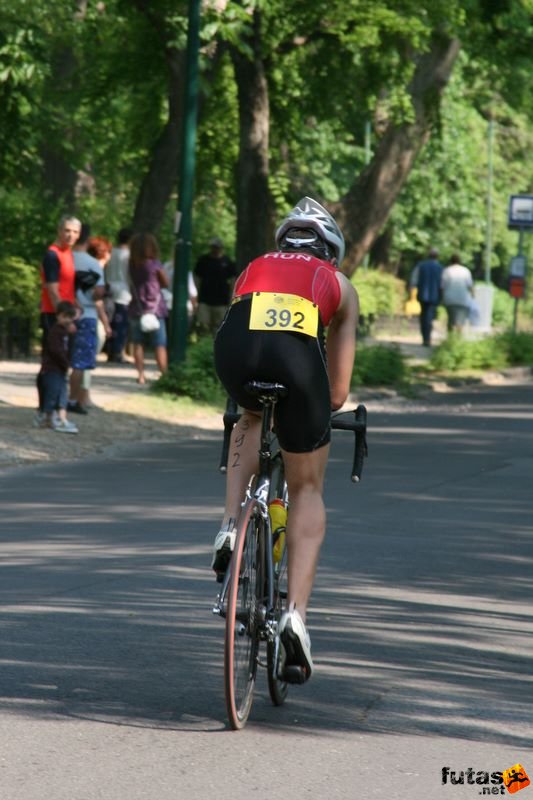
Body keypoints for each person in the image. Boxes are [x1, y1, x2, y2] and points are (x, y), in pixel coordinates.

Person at [213, 197, 359, 681]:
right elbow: (337, 392)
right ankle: (295, 614)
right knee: (306, 488)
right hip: (297, 365)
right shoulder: (338, 284)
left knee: (251, 413)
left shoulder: (253, 268)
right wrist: (314, 408)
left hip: (235, 353)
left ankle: (231, 525)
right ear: (330, 252)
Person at [35, 215, 82, 426]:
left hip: (64, 314)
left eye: (75, 232)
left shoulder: (68, 254)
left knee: (57, 363)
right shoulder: (53, 256)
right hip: (53, 315)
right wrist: (64, 320)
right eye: (67, 230)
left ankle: (49, 410)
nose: (71, 235)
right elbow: (53, 291)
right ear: (59, 231)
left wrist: (76, 305)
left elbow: (67, 288)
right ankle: (48, 410)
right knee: (53, 364)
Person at [68, 227, 111, 414]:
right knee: (80, 362)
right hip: (87, 315)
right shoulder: (93, 264)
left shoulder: (65, 259)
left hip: (64, 313)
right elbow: (98, 293)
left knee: (61, 359)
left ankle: (57, 398)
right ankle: (73, 400)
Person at [128, 232, 169, 385]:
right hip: (155, 309)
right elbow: (165, 283)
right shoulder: (155, 264)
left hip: (136, 308)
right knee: (160, 344)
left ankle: (141, 375)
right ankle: (164, 375)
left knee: (138, 343)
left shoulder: (132, 265)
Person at [37, 300, 79, 434]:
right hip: (52, 369)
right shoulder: (55, 332)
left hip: (61, 369)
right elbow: (56, 351)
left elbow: (68, 349)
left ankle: (62, 419)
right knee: (52, 394)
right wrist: (65, 363)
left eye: (70, 317)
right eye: (64, 316)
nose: (67, 320)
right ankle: (48, 419)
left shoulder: (65, 332)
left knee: (62, 394)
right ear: (58, 316)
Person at [194, 237, 237, 333]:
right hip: (204, 299)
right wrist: (196, 292)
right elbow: (196, 277)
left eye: (217, 247)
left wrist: (231, 296)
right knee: (203, 325)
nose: (215, 249)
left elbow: (233, 279)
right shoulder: (203, 260)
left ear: (221, 248)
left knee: (219, 326)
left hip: (222, 301)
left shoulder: (227, 262)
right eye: (213, 247)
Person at [106, 227, 133, 362]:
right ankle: (118, 352)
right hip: (124, 290)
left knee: (110, 321)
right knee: (121, 324)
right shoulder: (129, 255)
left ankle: (110, 350)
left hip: (110, 288)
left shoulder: (111, 252)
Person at [415, 247, 443, 346]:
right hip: (434, 296)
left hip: (422, 295)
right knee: (430, 316)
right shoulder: (440, 268)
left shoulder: (421, 266)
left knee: (423, 316)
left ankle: (425, 337)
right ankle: (427, 337)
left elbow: (414, 280)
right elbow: (442, 284)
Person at [441, 254, 474, 334]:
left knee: (451, 320)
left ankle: (450, 338)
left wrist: (442, 298)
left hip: (450, 299)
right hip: (463, 299)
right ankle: (458, 339)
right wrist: (473, 296)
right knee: (460, 322)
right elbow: (470, 286)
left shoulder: (447, 271)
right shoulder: (465, 271)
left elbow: (442, 286)